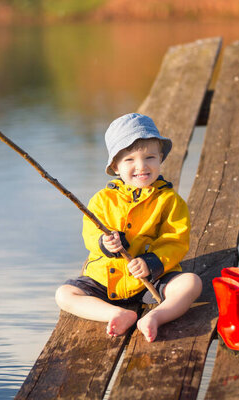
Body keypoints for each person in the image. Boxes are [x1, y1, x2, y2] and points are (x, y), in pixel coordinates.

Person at [55, 113, 202, 342]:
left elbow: (175, 240)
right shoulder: (102, 200)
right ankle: (114, 313)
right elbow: (90, 233)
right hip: (105, 279)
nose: (141, 166)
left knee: (191, 283)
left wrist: (152, 263)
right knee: (64, 294)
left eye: (150, 157)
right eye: (129, 160)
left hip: (151, 279)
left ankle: (156, 316)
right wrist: (105, 243)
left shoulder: (169, 200)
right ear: (115, 166)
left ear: (161, 158)